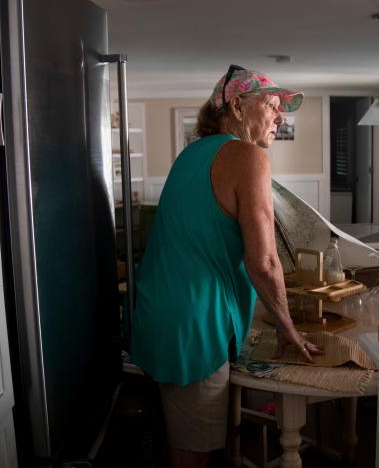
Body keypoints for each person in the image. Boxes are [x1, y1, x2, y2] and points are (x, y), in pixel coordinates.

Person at [131, 65, 324, 467]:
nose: (279, 116)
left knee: (185, 435)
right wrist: (287, 328)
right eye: (271, 105)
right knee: (192, 453)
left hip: (162, 313)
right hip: (194, 324)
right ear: (236, 106)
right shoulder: (247, 155)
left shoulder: (192, 154)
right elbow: (264, 261)